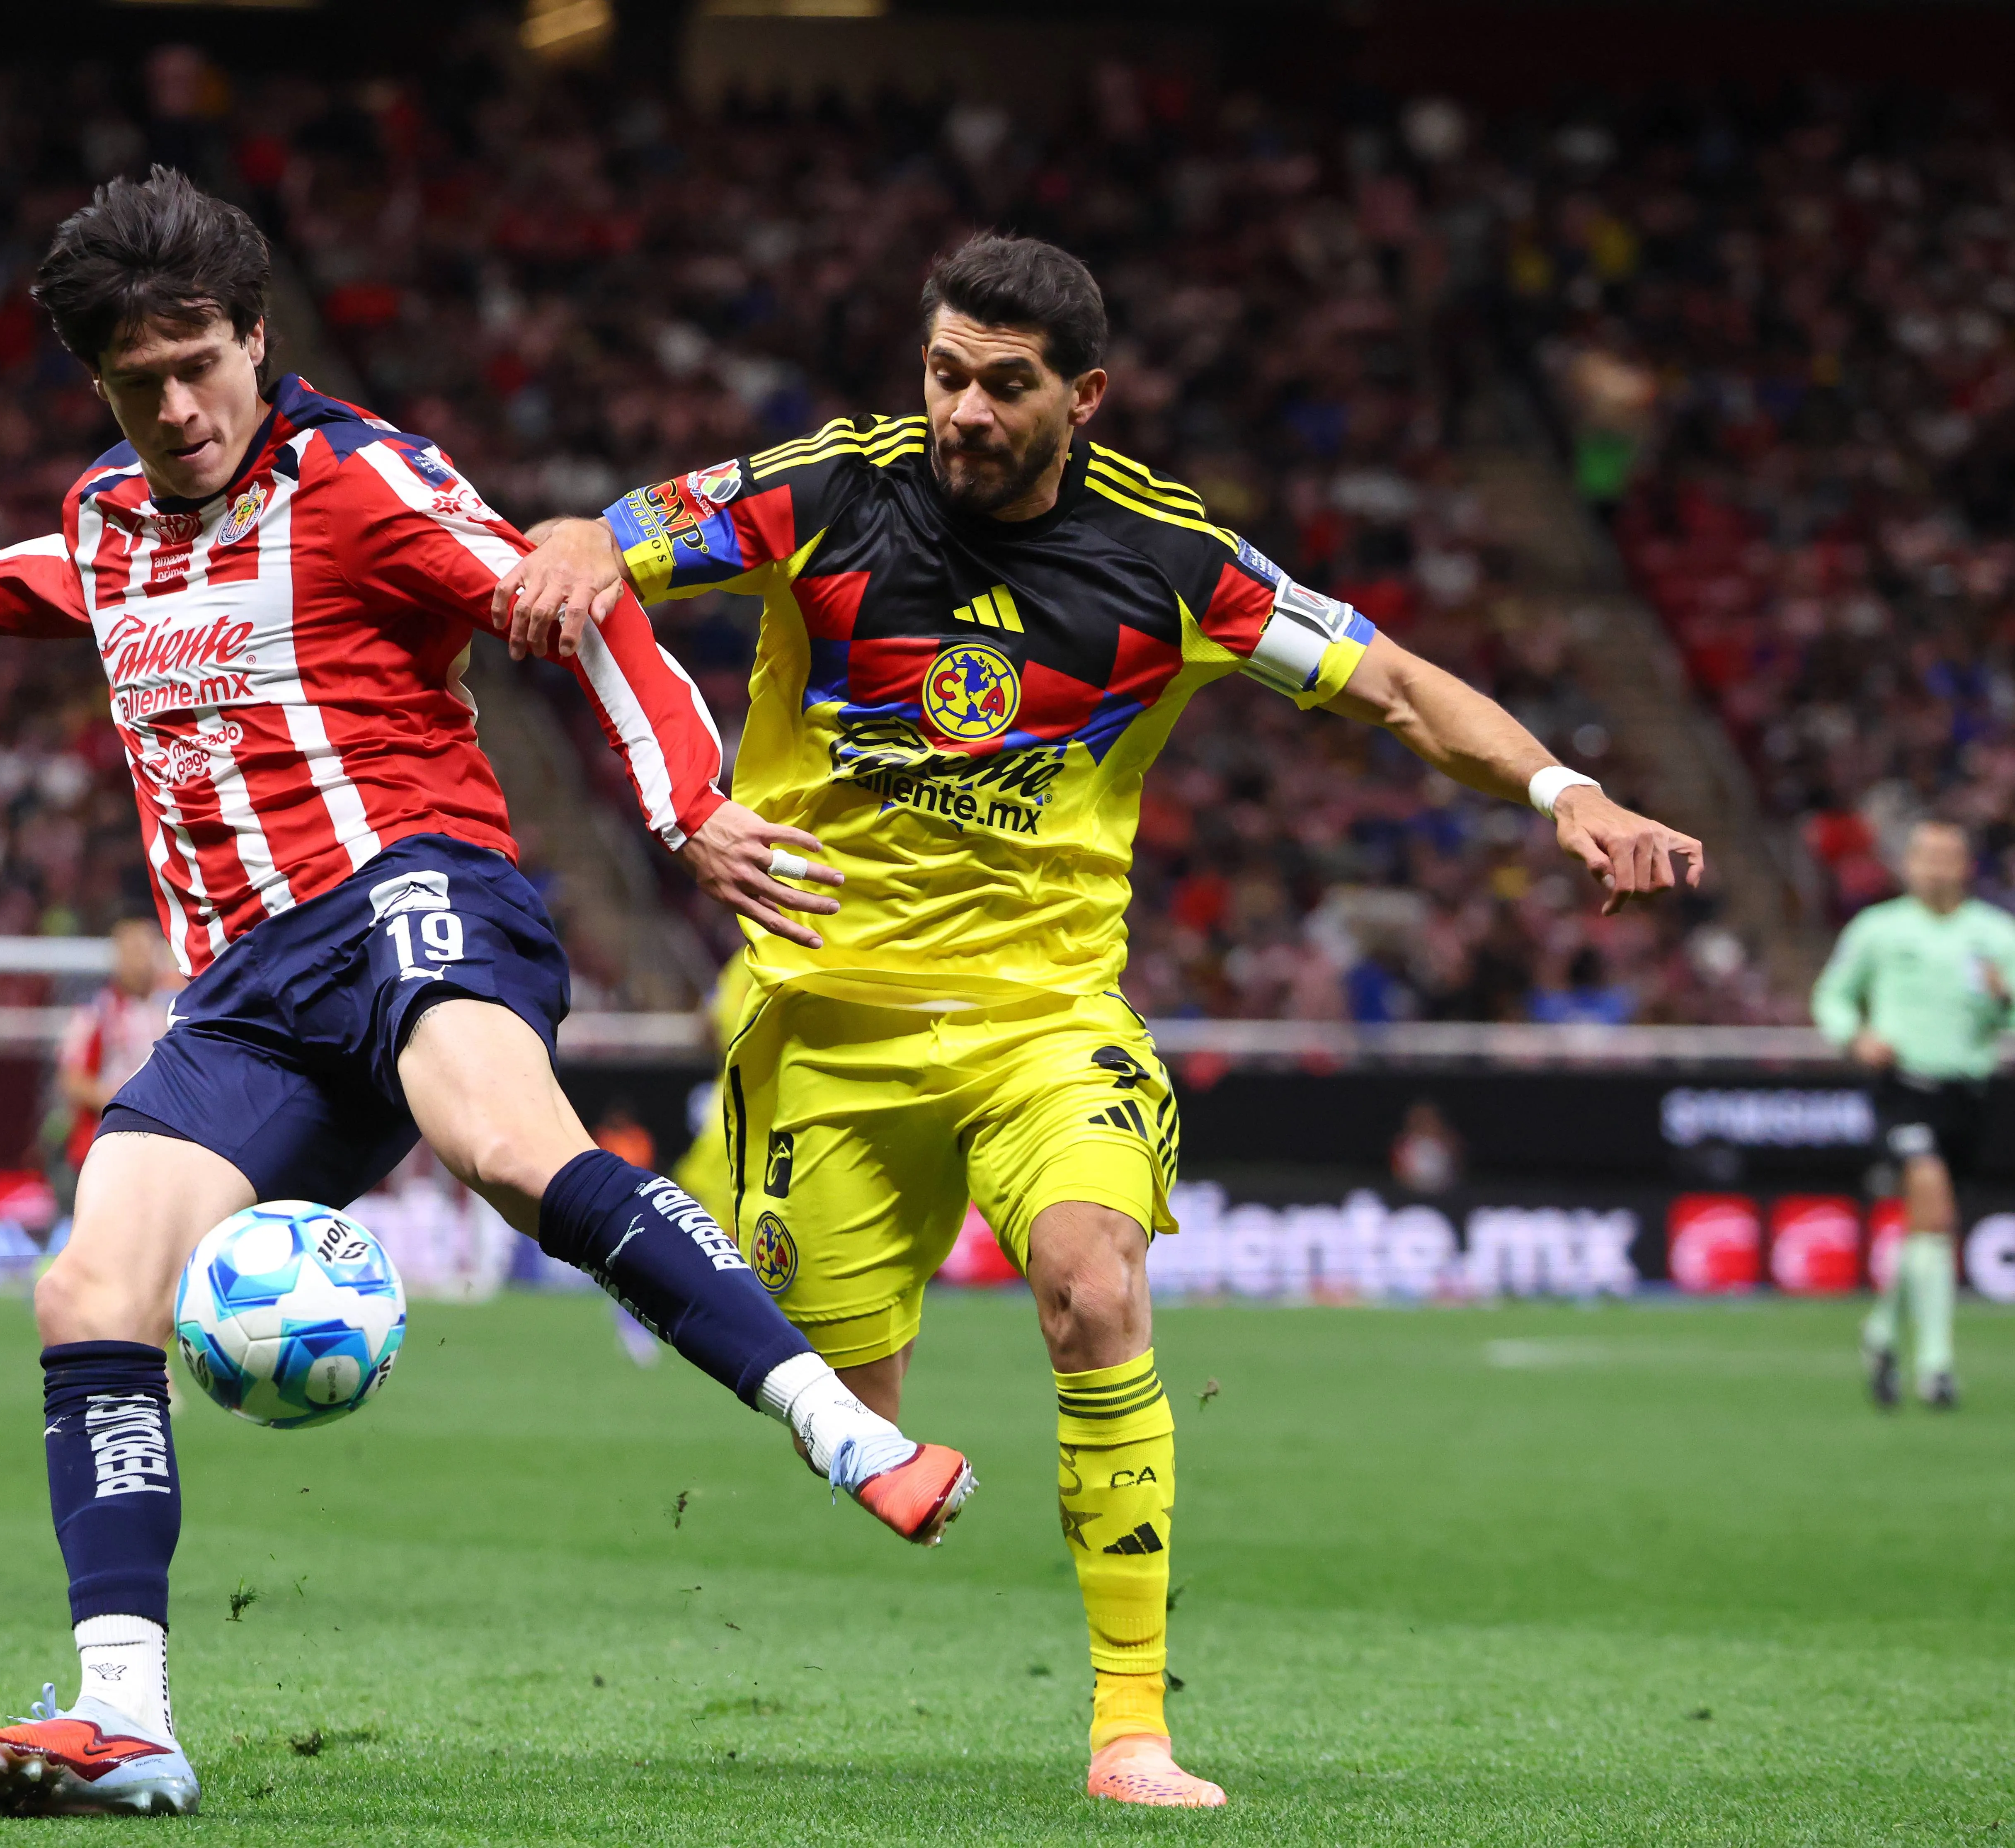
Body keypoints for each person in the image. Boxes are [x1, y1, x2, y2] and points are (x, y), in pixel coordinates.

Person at [0, 166, 974, 1820]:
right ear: (101, 390)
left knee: (499, 1143)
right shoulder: (106, 518)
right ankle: (128, 1716)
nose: (182, 405)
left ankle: (839, 1422)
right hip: (247, 993)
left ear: (256, 337)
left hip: (417, 886)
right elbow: (42, 582)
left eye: (203, 362)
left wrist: (685, 807)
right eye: (142, 383)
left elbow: (578, 606)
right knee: (84, 1286)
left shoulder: (358, 481)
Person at [497, 233, 1706, 1809]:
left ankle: (1128, 1729)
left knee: (1087, 1285)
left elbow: (1395, 688)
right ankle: (863, 1349)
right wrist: (582, 536)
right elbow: (588, 537)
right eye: (944, 374)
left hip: (1042, 1019)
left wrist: (1562, 789)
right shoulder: (825, 491)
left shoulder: (1172, 561)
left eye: (1004, 385)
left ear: (1083, 398)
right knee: (849, 1420)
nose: (963, 413)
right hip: (824, 1028)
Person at [1811, 818, 2015, 1411]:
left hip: (1970, 1090)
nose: (1934, 867)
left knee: (1930, 1224)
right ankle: (1936, 1364)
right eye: (1924, 855)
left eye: (1946, 856)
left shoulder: (1995, 934)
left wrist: (2004, 998)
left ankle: (1879, 1332)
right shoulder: (1878, 929)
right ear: (1907, 864)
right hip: (1903, 1084)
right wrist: (1854, 1036)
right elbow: (1832, 995)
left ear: (1964, 866)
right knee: (1932, 1202)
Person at [50, 918, 179, 1208]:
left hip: (166, 1144)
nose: (141, 962)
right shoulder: (95, 1012)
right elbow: (72, 1080)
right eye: (132, 952)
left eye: (147, 951)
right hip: (106, 1142)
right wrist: (127, 1103)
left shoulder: (177, 1010)